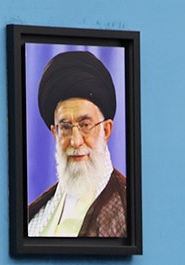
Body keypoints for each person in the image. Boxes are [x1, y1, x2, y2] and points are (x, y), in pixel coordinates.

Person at [26, 50, 129, 238]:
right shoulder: (36, 212)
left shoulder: (129, 206)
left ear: (106, 130)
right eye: (65, 127)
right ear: (54, 133)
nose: (75, 141)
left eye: (85, 125)